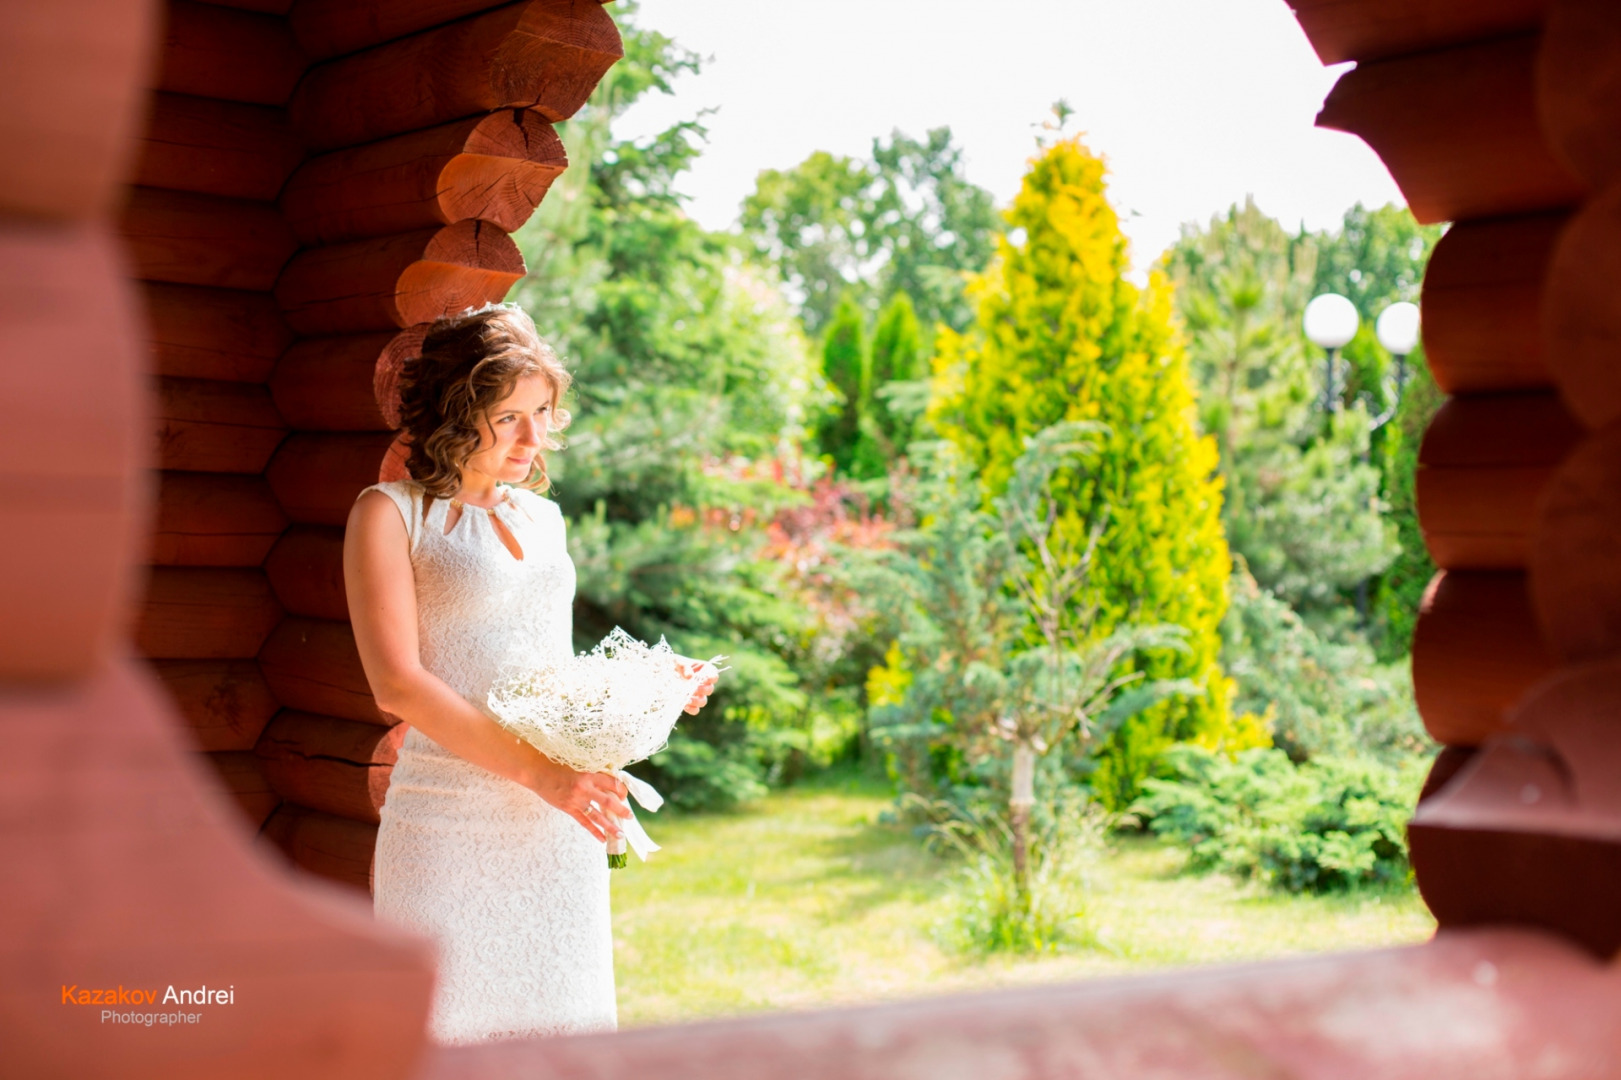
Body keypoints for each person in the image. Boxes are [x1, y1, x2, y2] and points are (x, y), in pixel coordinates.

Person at [343, 303, 716, 1044]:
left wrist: (648, 680)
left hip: (556, 830)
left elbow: (540, 667)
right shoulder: (388, 515)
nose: (534, 437)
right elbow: (398, 683)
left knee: (561, 1041)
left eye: (542, 412)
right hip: (445, 826)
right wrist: (546, 777)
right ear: (456, 411)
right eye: (507, 416)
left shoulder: (544, 518)